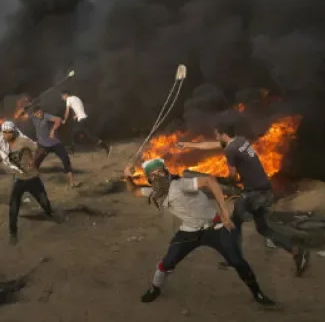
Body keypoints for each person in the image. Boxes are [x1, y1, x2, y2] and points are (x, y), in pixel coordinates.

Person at [123, 159, 276, 306]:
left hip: (215, 228)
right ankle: (155, 288)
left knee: (237, 261)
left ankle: (258, 294)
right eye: (153, 175)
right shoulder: (155, 193)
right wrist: (127, 177)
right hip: (190, 231)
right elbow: (134, 191)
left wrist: (223, 211)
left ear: (167, 172)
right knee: (167, 263)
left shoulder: (180, 184)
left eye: (160, 172)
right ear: (149, 179)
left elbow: (209, 181)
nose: (157, 177)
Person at [178, 120, 310, 276]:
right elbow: (212, 145)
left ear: (223, 134)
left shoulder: (231, 150)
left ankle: (234, 259)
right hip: (265, 190)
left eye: (217, 134)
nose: (216, 136)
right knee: (263, 229)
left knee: (233, 224)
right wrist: (188, 145)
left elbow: (232, 176)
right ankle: (297, 251)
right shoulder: (240, 141)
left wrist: (221, 181)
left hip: (253, 194)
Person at [0, 121, 61, 245]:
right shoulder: (3, 148)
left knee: (44, 202)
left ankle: (50, 215)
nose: (6, 135)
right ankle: (13, 233)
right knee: (13, 207)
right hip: (19, 180)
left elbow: (42, 149)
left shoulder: (23, 141)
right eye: (4, 132)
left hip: (33, 178)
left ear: (14, 131)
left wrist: (35, 162)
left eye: (9, 132)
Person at [29, 106, 79, 188]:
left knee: (65, 159)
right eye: (38, 113)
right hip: (43, 145)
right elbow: (22, 113)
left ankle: (72, 182)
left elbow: (58, 119)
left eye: (41, 112)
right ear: (34, 114)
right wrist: (24, 109)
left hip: (55, 143)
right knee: (35, 164)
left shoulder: (46, 116)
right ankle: (33, 183)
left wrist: (53, 130)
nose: (41, 114)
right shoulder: (32, 117)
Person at [60, 91, 110, 156]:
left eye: (62, 96)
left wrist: (64, 120)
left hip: (82, 119)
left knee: (73, 132)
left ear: (66, 95)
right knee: (90, 136)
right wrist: (77, 115)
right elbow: (80, 107)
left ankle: (71, 150)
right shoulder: (76, 98)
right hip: (85, 118)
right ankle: (106, 147)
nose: (62, 98)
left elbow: (67, 111)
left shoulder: (68, 99)